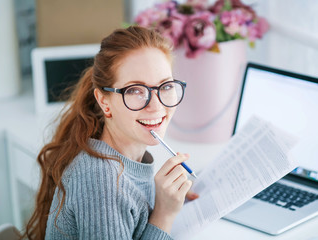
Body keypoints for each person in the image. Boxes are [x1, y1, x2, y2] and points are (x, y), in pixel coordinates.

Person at [22, 26, 199, 240]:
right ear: (104, 102)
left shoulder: (125, 157)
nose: (156, 105)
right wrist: (163, 215)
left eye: (166, 87)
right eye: (135, 90)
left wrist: (164, 200)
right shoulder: (101, 183)